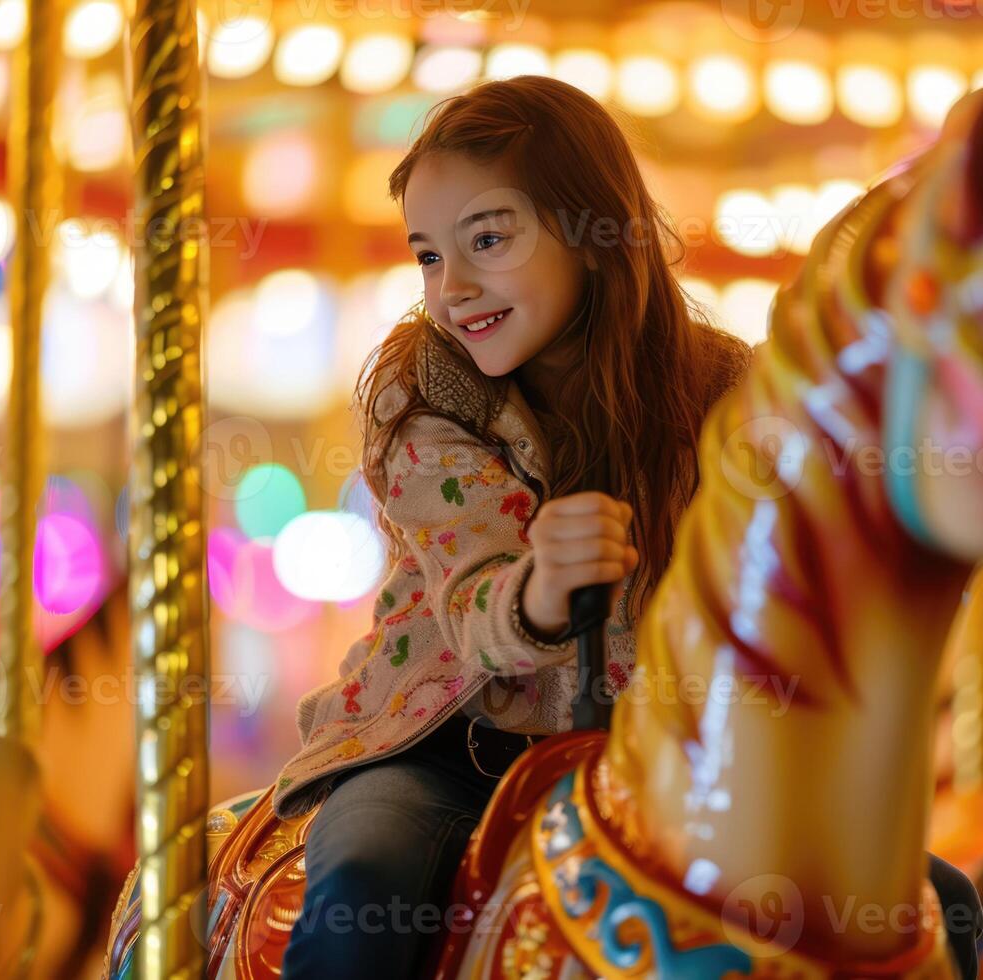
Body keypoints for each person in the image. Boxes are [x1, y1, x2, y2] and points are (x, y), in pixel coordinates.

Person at [273, 74, 750, 979]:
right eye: (426, 255)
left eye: (487, 239)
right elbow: (474, 596)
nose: (452, 287)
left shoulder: (722, 391)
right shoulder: (428, 394)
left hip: (653, 764)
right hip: (443, 748)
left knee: (929, 904)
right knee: (367, 890)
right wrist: (540, 586)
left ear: (591, 229)